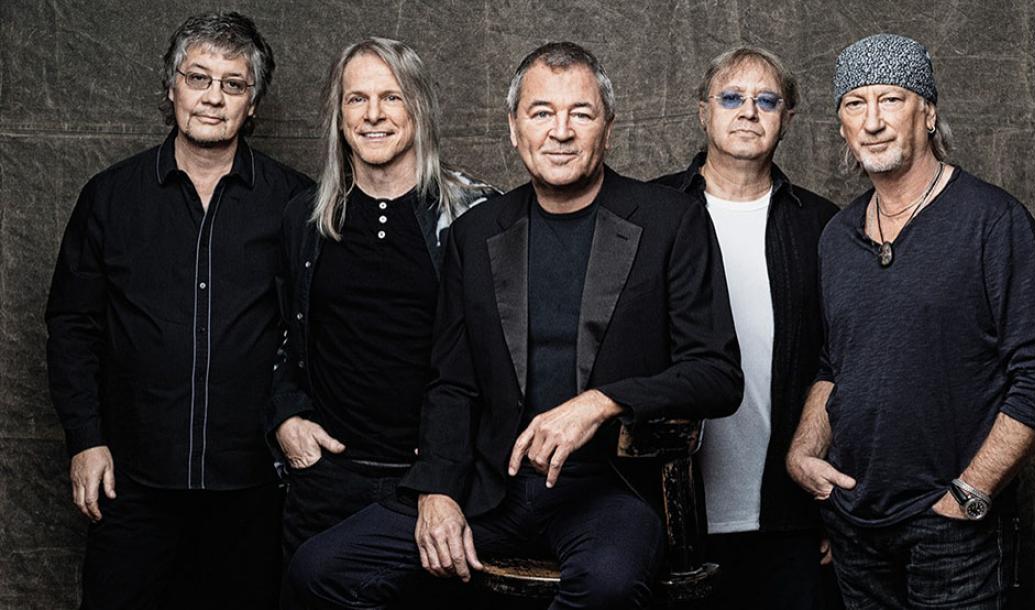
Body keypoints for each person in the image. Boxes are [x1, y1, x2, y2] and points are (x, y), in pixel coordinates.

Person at [284, 41, 742, 609]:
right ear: (513, 128)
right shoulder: (477, 233)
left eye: (580, 113)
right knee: (319, 568)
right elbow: (452, 382)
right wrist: (437, 490)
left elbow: (717, 374)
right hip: (490, 489)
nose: (560, 131)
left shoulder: (672, 222)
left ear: (608, 128)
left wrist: (601, 402)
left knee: (608, 586)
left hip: (609, 491)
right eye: (541, 112)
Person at [786, 33, 1035, 609]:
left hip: (954, 530)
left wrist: (970, 493)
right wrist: (802, 451)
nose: (873, 121)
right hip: (855, 525)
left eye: (891, 99)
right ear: (842, 126)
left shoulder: (992, 221)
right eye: (855, 104)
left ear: (929, 113)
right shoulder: (837, 237)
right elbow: (835, 363)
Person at [44, 11, 312, 609]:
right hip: (132, 479)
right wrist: (85, 439)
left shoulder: (297, 204)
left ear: (252, 103)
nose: (213, 97)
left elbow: (318, 333)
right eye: (198, 78)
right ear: (172, 88)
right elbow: (73, 327)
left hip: (252, 486)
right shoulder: (110, 197)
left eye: (233, 84)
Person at [269, 37, 498, 559]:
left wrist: (447, 468)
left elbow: (503, 356)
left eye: (392, 97)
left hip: (437, 490)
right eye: (357, 99)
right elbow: (281, 334)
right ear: (339, 115)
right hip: (327, 481)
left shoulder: (475, 214)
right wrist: (285, 417)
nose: (373, 114)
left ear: (419, 107)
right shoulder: (305, 217)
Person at [653, 46, 839, 610]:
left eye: (767, 101)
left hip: (788, 512)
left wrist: (838, 511)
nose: (748, 112)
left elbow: (845, 364)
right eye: (731, 98)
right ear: (703, 111)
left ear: (788, 117)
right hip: (666, 510)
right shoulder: (650, 211)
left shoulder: (823, 227)